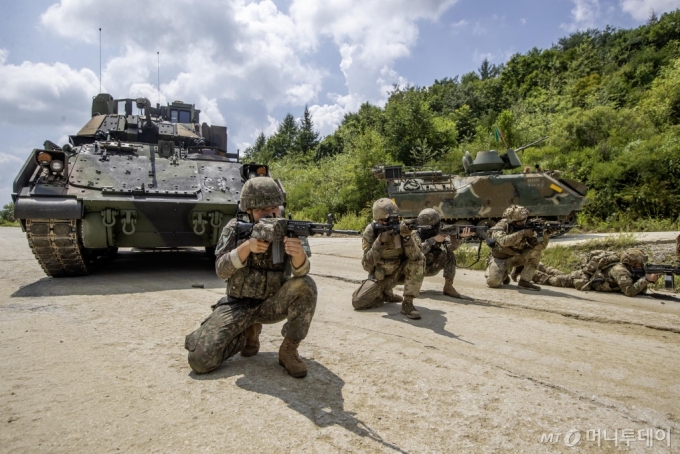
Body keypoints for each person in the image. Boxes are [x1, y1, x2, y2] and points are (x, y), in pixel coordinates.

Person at [185, 177, 317, 378]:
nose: (269, 214)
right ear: (248, 211)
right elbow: (221, 270)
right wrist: (246, 248)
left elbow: (301, 273)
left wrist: (298, 254)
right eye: (260, 210)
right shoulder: (235, 228)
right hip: (238, 305)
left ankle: (289, 349)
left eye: (274, 206)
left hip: (272, 304)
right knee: (200, 361)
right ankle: (246, 333)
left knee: (306, 285)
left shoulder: (290, 228)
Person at [352, 198, 425, 319]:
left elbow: (417, 258)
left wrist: (407, 238)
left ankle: (407, 303)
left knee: (420, 260)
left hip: (399, 273)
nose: (393, 223)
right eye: (386, 220)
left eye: (396, 219)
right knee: (358, 302)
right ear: (378, 220)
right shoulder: (371, 231)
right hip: (380, 277)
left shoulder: (405, 229)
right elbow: (367, 265)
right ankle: (383, 295)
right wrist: (379, 242)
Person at [531, 248, 659, 297]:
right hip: (584, 281)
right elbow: (629, 291)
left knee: (559, 274)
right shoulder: (620, 271)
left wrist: (645, 278)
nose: (641, 265)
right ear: (630, 262)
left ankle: (538, 265)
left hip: (588, 276)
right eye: (638, 263)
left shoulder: (629, 269)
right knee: (552, 280)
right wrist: (646, 279)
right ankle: (530, 272)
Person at [484, 205, 551, 291]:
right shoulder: (501, 225)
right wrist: (522, 233)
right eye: (519, 222)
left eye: (524, 220)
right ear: (511, 220)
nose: (523, 223)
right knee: (493, 282)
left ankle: (525, 281)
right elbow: (503, 241)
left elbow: (539, 246)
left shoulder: (527, 225)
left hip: (518, 256)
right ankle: (501, 273)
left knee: (536, 251)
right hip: (502, 258)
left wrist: (546, 234)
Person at [415, 208, 473, 298]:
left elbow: (451, 247)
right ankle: (413, 287)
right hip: (415, 269)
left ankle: (448, 287)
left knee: (449, 254)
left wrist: (460, 237)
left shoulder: (439, 230)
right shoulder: (415, 233)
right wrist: (433, 240)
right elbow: (417, 252)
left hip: (432, 267)